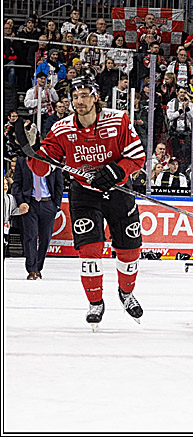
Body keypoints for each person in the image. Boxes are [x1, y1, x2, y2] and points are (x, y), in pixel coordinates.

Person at [22, 76, 146, 330]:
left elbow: (137, 156)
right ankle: (95, 302)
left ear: (96, 96)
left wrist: (114, 172)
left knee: (129, 249)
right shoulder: (61, 129)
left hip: (118, 189)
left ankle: (126, 293)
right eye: (75, 96)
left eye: (85, 95)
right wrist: (30, 149)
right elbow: (41, 168)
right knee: (90, 250)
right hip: (84, 193)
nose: (79, 101)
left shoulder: (119, 119)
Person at [12, 151, 63, 280]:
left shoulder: (52, 161)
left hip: (48, 203)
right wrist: (21, 202)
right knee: (30, 236)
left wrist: (55, 204)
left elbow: (59, 184)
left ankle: (38, 267)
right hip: (30, 204)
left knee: (45, 238)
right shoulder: (22, 161)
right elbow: (17, 184)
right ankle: (32, 269)